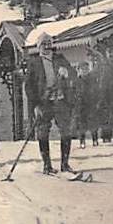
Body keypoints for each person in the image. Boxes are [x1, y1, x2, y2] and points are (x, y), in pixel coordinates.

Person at [25, 33, 75, 174]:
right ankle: (47, 165)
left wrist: (67, 72)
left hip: (60, 100)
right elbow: (29, 87)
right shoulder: (34, 63)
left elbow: (72, 74)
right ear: (38, 46)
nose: (46, 46)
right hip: (43, 102)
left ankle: (65, 164)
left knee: (65, 130)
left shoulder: (60, 59)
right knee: (42, 132)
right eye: (43, 44)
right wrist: (35, 105)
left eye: (48, 43)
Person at [73, 61, 100, 148]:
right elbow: (73, 93)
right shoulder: (76, 81)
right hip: (80, 106)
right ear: (78, 70)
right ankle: (82, 141)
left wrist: (97, 102)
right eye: (82, 69)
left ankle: (95, 140)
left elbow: (97, 92)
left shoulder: (92, 80)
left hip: (91, 104)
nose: (84, 71)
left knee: (93, 123)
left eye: (86, 69)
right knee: (81, 124)